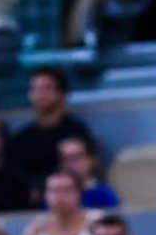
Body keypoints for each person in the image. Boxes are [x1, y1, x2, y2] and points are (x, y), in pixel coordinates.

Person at [8, 69, 96, 197]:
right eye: (35, 89)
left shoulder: (77, 132)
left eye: (46, 88)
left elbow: (87, 168)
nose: (40, 94)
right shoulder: (21, 138)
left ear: (62, 94)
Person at [58, 135, 119, 209]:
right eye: (64, 159)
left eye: (75, 158)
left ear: (91, 160)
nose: (69, 164)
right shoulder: (54, 195)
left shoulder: (105, 194)